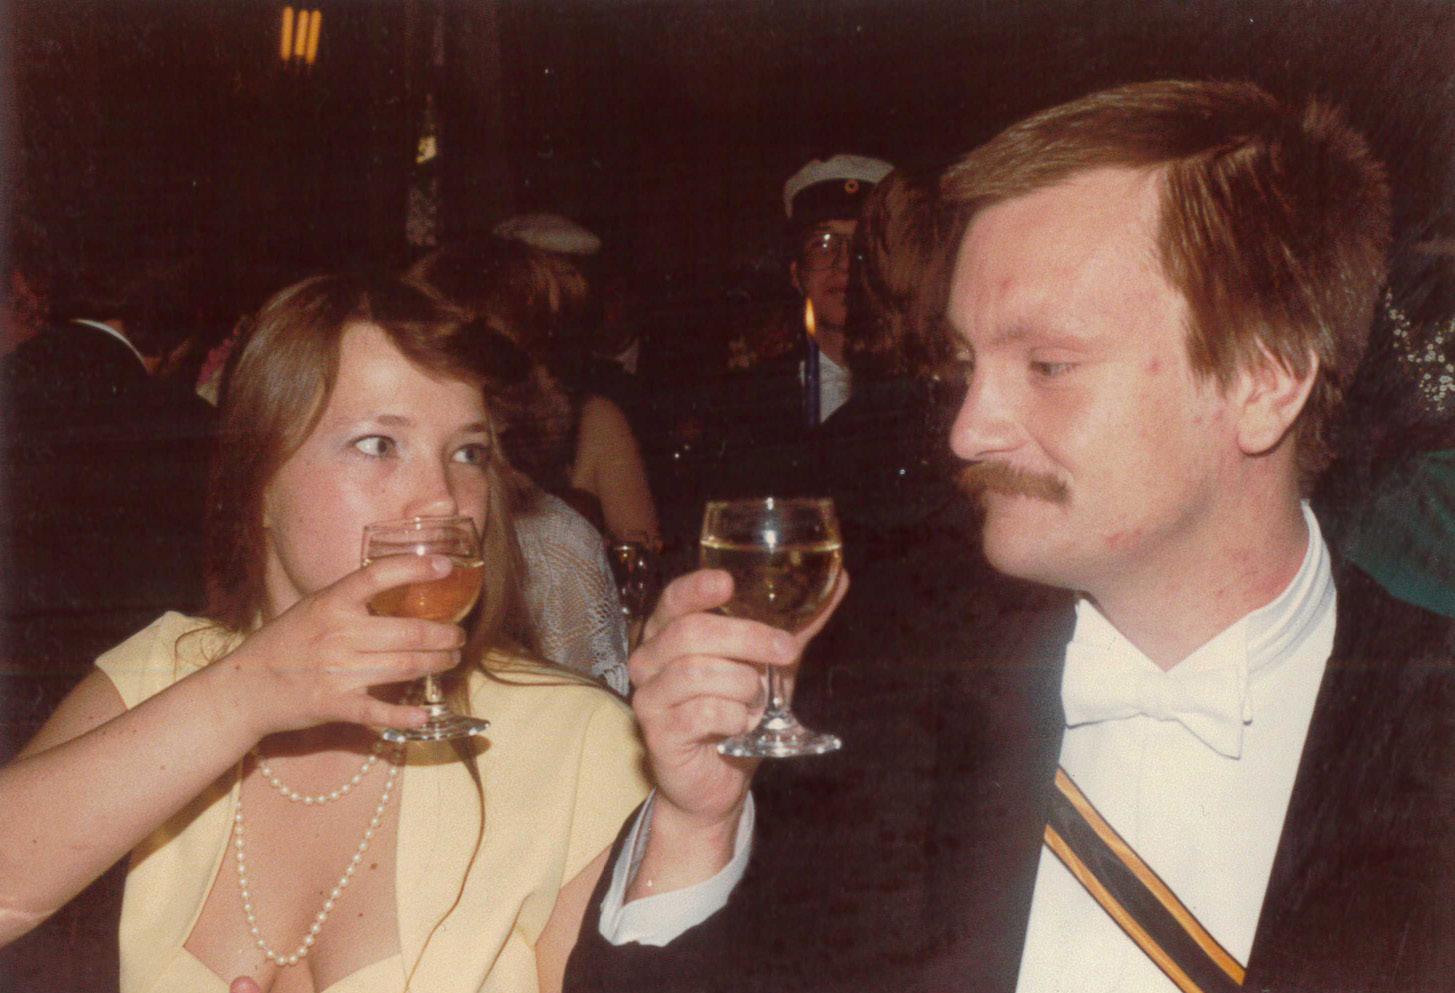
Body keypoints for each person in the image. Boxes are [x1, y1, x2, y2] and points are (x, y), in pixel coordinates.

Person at [565, 80, 1455, 993]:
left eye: (1048, 364)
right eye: (964, 363)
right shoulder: (875, 696)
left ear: (1264, 381)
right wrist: (697, 824)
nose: (966, 431)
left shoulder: (1429, 731)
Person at [0, 275, 650, 993]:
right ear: (258, 481)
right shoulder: (163, 676)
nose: (444, 498)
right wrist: (242, 698)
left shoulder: (579, 744)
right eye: (378, 444)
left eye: (468, 453)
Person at [410, 242, 662, 548]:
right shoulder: (413, 431)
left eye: (555, 329)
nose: (553, 347)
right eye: (541, 328)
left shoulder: (590, 421)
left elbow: (642, 556)